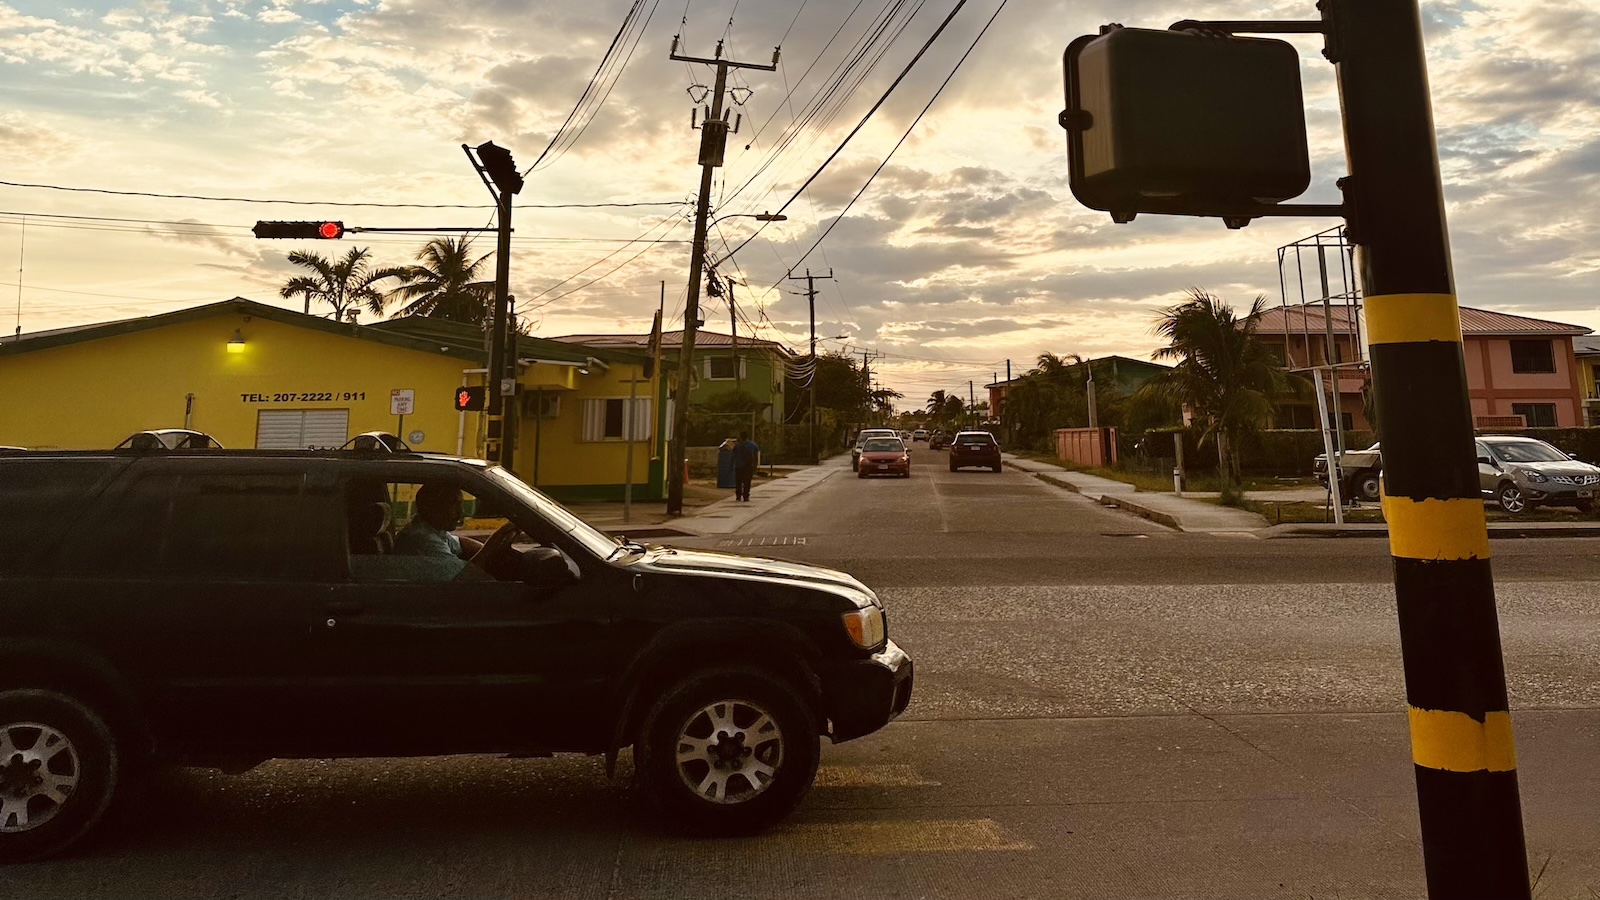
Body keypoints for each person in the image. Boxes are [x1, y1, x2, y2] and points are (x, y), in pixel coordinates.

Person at [731, 430, 759, 502]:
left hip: (739, 466)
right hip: (749, 466)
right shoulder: (753, 445)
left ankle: (738, 496)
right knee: (747, 481)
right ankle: (746, 496)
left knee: (738, 481)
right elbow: (755, 457)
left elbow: (733, 457)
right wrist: (755, 466)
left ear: (741, 437)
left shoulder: (737, 446)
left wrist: (731, 466)